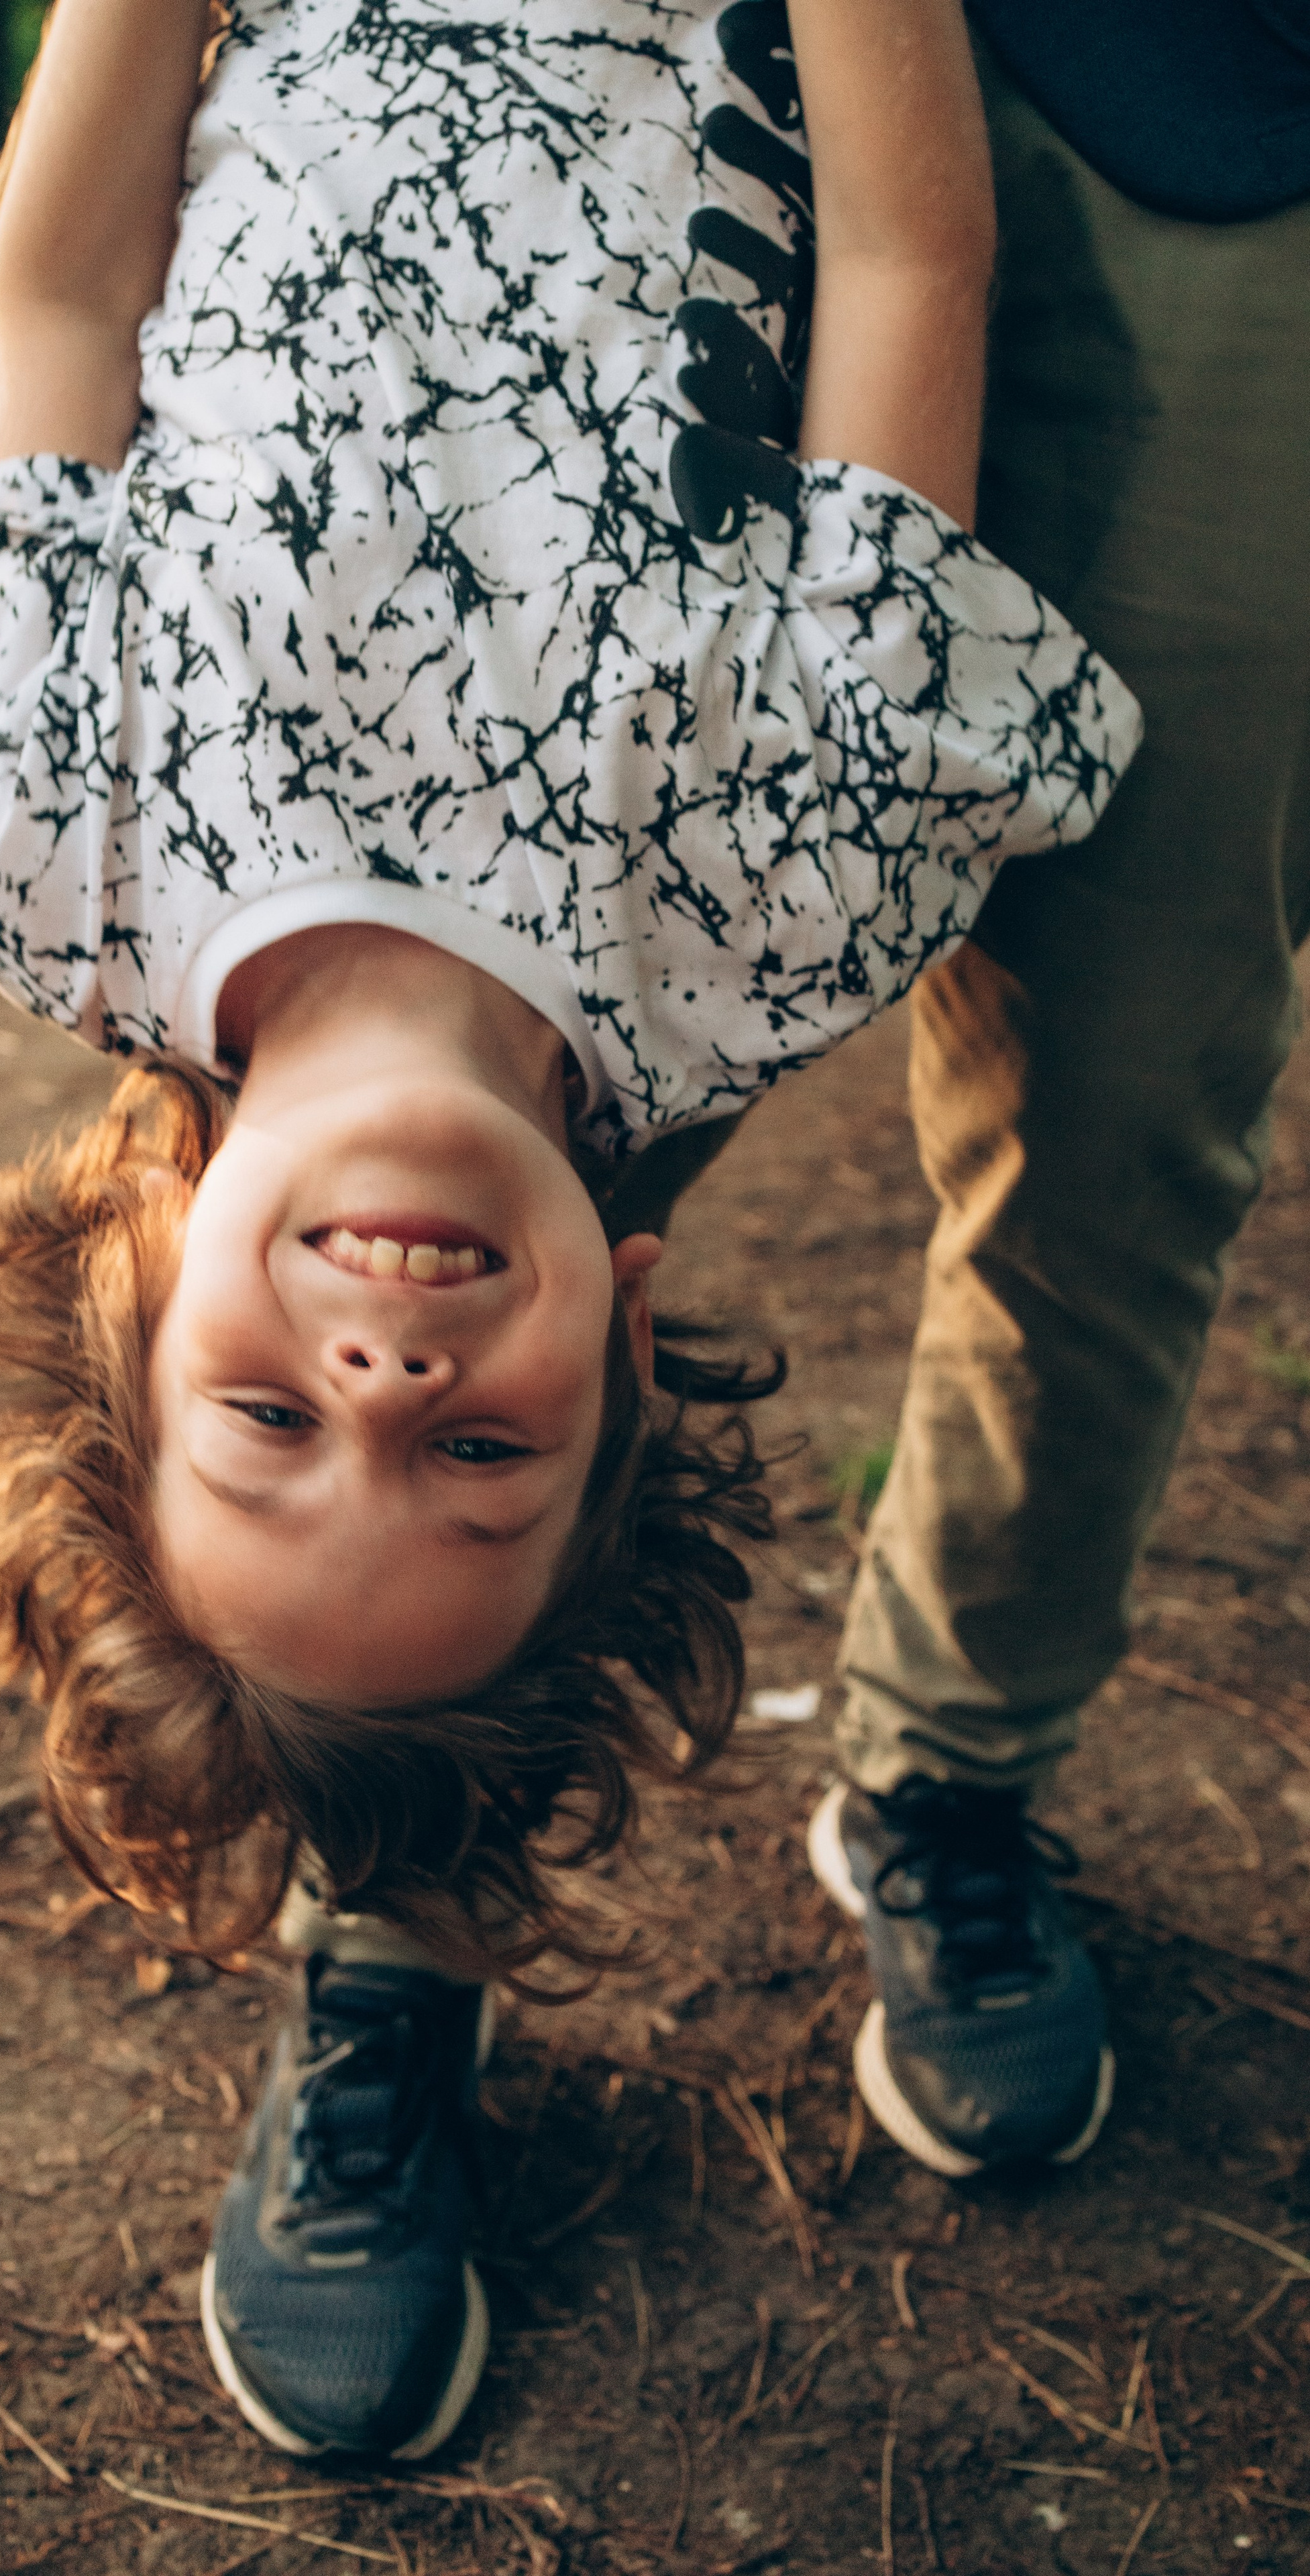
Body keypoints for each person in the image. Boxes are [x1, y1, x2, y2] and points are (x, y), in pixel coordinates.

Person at [0, 0, 1138, 2459]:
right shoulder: (788, 892)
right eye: (476, 1472)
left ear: (142, 1283)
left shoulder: (39, 822)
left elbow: (53, 299)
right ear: (629, 1351)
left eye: (259, 1427)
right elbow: (903, 265)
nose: (385, 1392)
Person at [809, 0, 1310, 2187]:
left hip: (1214, 96)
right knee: (499, 1110)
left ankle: (948, 1776)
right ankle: (399, 1897)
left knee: (1129, 1078)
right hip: (582, 88)